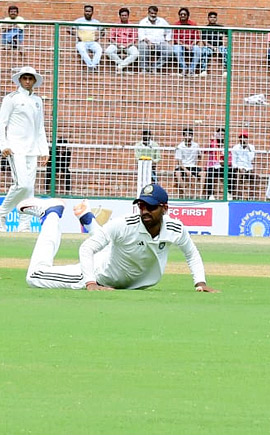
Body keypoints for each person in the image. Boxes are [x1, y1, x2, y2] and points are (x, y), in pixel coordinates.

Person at [24, 186, 216, 292]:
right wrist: (90, 282)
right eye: (141, 206)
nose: (145, 211)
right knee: (34, 276)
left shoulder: (175, 228)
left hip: (119, 261)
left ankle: (88, 219)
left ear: (165, 208)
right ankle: (50, 214)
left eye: (151, 207)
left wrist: (200, 282)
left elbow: (192, 254)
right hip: (97, 274)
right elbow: (86, 248)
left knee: (115, 244)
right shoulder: (125, 223)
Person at [0, 65, 49, 229]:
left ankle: (24, 225)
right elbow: (2, 123)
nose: (27, 81)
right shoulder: (11, 98)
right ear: (20, 80)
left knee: (29, 189)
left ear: (35, 81)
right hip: (15, 148)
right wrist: (3, 145)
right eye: (25, 78)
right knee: (22, 184)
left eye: (30, 78)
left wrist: (44, 150)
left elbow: (40, 126)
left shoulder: (37, 101)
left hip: (32, 149)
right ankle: (2, 213)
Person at [137, 5, 172, 73]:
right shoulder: (143, 22)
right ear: (148, 13)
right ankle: (144, 68)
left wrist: (167, 40)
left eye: (155, 13)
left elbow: (169, 30)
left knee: (169, 50)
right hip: (147, 43)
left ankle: (155, 67)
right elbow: (141, 35)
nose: (153, 15)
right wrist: (149, 42)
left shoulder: (162, 21)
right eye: (151, 13)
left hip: (160, 42)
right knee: (142, 47)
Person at [104, 7, 140, 72]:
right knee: (108, 51)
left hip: (128, 45)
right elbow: (111, 37)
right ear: (120, 16)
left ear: (128, 16)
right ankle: (123, 65)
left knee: (135, 53)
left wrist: (128, 45)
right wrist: (116, 44)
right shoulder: (116, 25)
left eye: (125, 15)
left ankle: (120, 66)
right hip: (117, 44)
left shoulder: (132, 25)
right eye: (122, 15)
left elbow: (134, 38)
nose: (124, 17)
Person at [171, 7, 203, 76]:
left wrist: (191, 44)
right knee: (176, 49)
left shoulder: (193, 24)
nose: (182, 16)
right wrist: (185, 45)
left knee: (198, 50)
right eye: (181, 14)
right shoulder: (176, 25)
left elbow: (197, 38)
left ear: (187, 16)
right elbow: (176, 38)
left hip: (191, 45)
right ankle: (184, 68)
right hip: (180, 45)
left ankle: (191, 70)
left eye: (184, 14)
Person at [73, 4, 104, 70]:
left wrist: (98, 38)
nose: (87, 13)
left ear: (92, 12)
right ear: (84, 12)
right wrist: (77, 36)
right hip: (82, 42)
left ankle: (94, 64)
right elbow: (69, 29)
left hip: (92, 42)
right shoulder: (79, 21)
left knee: (99, 49)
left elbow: (103, 31)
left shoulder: (96, 22)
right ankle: (90, 66)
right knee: (81, 49)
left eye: (89, 11)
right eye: (86, 11)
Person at [198, 11, 227, 76]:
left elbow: (227, 37)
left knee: (225, 50)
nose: (212, 19)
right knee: (204, 50)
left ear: (216, 19)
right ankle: (203, 70)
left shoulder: (220, 27)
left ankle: (225, 71)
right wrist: (213, 47)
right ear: (208, 18)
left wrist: (223, 45)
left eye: (214, 17)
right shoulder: (205, 28)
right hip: (209, 47)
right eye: (211, 17)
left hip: (219, 46)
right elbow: (205, 42)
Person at [173, 127, 202, 195]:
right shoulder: (180, 146)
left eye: (189, 135)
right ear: (184, 136)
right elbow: (179, 162)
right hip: (183, 166)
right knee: (177, 173)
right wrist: (186, 170)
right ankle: (186, 192)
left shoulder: (196, 145)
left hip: (193, 166)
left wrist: (197, 164)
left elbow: (200, 156)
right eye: (186, 135)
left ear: (192, 136)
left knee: (203, 173)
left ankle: (200, 194)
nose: (188, 137)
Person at [230, 132, 256, 198]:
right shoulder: (235, 147)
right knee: (238, 176)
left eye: (244, 138)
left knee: (254, 177)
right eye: (241, 138)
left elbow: (251, 158)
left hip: (248, 167)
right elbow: (234, 161)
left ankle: (251, 196)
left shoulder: (251, 147)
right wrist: (238, 168)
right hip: (239, 167)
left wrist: (248, 149)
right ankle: (237, 196)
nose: (243, 139)